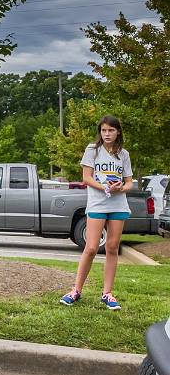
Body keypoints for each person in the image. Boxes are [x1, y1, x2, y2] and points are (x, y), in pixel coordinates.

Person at [60, 115, 133, 310]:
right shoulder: (92, 150)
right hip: (98, 204)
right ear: (100, 132)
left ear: (118, 132)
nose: (107, 134)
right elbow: (86, 178)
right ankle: (75, 290)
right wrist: (105, 188)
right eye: (104, 130)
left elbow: (129, 182)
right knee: (91, 247)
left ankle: (107, 293)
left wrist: (121, 188)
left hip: (118, 205)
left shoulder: (123, 154)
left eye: (111, 130)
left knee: (112, 247)